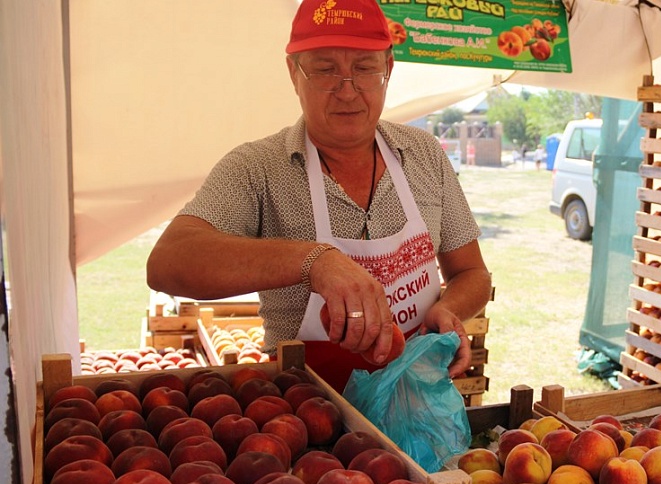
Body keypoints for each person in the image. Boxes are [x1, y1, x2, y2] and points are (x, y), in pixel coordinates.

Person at [146, 0, 492, 393]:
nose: (347, 91)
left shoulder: (424, 154)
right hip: (305, 407)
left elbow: (472, 273)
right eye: (325, 70)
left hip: (417, 397)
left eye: (364, 69)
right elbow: (168, 263)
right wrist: (315, 261)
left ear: (388, 69)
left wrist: (449, 309)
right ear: (294, 73)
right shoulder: (257, 168)